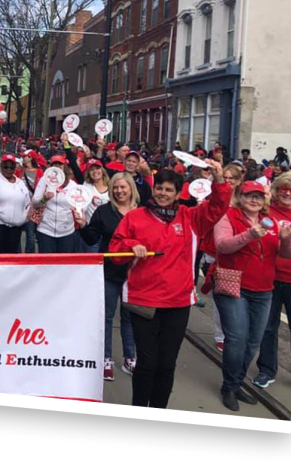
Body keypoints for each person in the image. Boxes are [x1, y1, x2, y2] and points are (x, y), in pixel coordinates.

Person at [110, 166, 232, 409]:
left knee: (166, 364)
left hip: (178, 303)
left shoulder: (191, 217)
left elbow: (219, 206)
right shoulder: (135, 217)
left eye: (169, 190)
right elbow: (115, 250)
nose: (162, 193)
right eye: (159, 188)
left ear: (178, 194)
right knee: (146, 363)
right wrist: (131, 245)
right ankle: (138, 411)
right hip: (142, 300)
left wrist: (219, 179)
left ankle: (158, 411)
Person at [212, 177, 291, 411]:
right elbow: (222, 245)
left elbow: (287, 254)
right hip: (234, 285)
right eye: (249, 195)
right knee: (237, 339)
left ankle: (236, 382)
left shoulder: (272, 222)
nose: (253, 200)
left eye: (258, 196)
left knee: (253, 341)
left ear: (264, 200)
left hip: (263, 289)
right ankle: (229, 386)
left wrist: (287, 239)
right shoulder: (227, 217)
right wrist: (250, 234)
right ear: (240, 197)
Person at [79, 172, 140, 380]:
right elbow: (91, 238)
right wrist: (82, 225)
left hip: (136, 274)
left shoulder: (142, 212)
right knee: (106, 316)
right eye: (115, 187)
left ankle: (130, 356)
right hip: (110, 272)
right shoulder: (104, 211)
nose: (119, 191)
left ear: (131, 188)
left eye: (123, 187)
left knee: (129, 317)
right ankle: (105, 358)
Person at [255, 170, 291, 389]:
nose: (287, 194)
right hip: (268, 276)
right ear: (276, 191)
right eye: (283, 190)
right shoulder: (265, 212)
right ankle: (266, 370)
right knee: (268, 327)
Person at [30, 150, 86, 254]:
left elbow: (80, 205)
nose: (57, 167)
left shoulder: (72, 185)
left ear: (64, 166)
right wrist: (44, 199)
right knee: (47, 265)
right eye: (54, 164)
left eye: (59, 164)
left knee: (64, 266)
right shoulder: (44, 180)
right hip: (45, 230)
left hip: (67, 232)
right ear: (50, 167)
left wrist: (78, 211)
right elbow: (35, 202)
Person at [0, 153, 32, 254]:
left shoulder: (20, 182)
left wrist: (24, 218)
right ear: (1, 166)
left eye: (11, 167)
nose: (9, 169)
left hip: (16, 227)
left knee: (11, 257)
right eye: (6, 166)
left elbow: (27, 202)